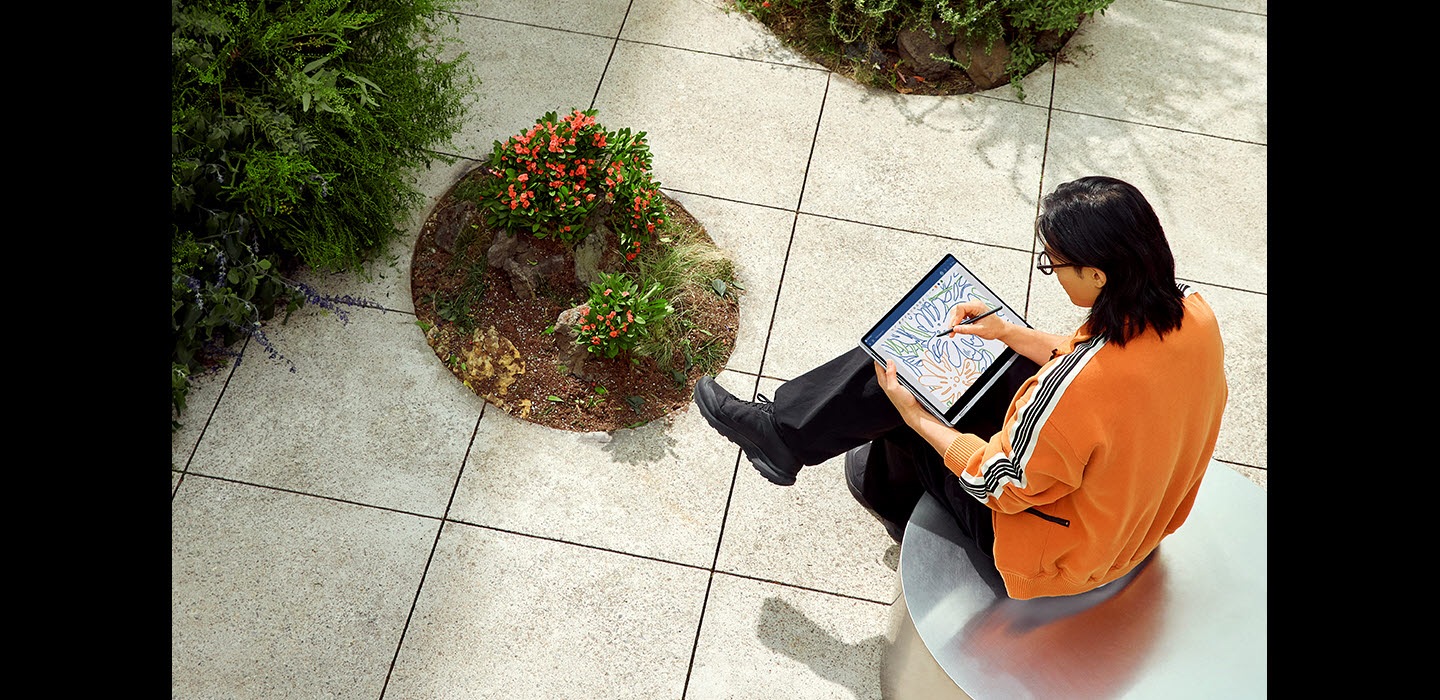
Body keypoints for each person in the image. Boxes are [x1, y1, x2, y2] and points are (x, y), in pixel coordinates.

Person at [693, 176, 1227, 600]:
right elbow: (1106, 367)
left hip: (1057, 557)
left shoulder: (1082, 386)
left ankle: (799, 446)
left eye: (1054, 264)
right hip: (1131, 519)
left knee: (907, 391)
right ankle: (791, 438)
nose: (1052, 273)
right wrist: (1007, 332)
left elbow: (999, 483)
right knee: (973, 364)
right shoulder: (1194, 316)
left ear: (1098, 275)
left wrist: (918, 418)